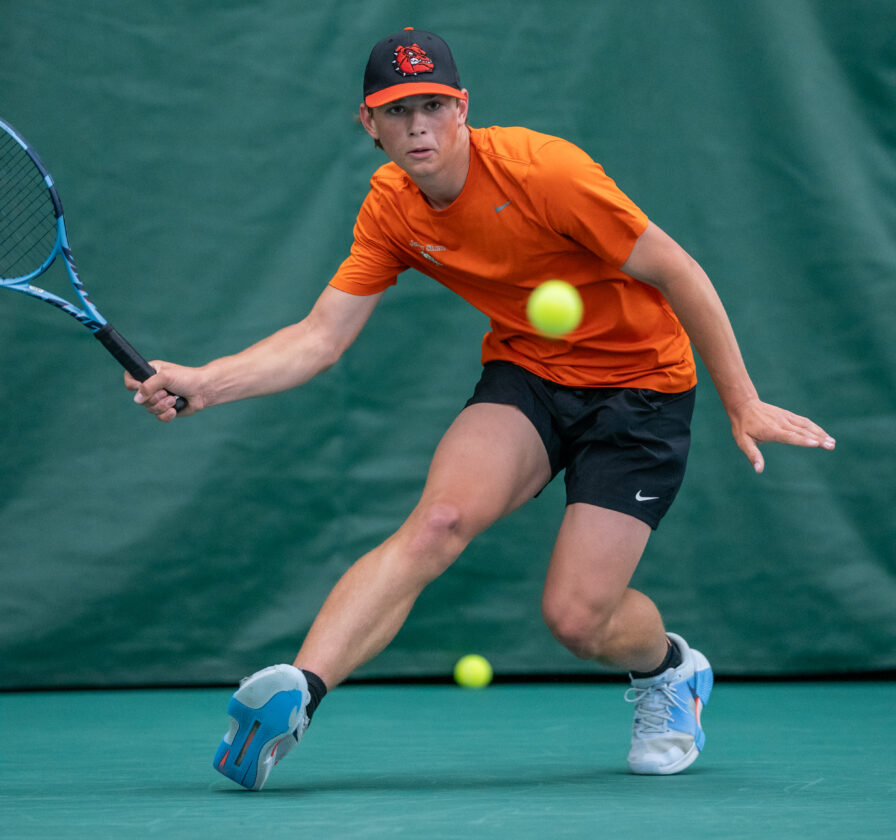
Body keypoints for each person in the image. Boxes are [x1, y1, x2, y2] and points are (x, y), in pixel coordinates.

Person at [127, 27, 835, 790]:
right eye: (398, 111)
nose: (418, 126)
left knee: (577, 619)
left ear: (463, 108)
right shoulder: (392, 207)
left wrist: (741, 401)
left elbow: (679, 270)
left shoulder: (545, 173)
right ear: (369, 123)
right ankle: (301, 694)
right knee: (437, 521)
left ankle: (671, 669)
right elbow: (320, 338)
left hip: (642, 390)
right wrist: (208, 382)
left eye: (434, 106)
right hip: (530, 372)